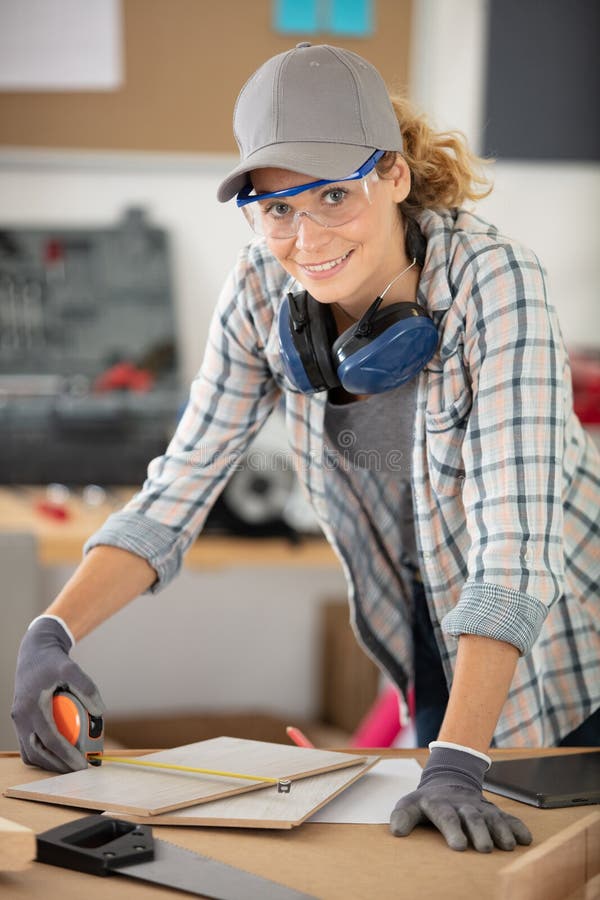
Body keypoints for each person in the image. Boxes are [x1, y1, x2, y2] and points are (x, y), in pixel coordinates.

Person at [12, 43, 599, 854]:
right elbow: (177, 488)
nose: (306, 236)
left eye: (333, 194)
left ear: (393, 175)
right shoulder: (261, 291)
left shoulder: (495, 287)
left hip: (569, 646)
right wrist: (51, 633)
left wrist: (459, 758)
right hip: (432, 642)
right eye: (276, 207)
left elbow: (517, 548)